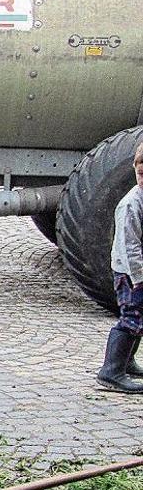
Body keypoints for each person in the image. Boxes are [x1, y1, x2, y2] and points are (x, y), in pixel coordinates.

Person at [96, 142, 143, 394]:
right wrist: (139, 278)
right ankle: (111, 371)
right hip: (130, 273)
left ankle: (127, 362)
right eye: (141, 173)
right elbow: (130, 247)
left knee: (140, 318)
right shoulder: (131, 205)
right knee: (131, 317)